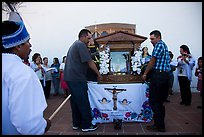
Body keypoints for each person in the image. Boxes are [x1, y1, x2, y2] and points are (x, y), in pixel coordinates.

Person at [2, 20, 51, 135]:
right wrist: (43, 125)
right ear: (18, 46)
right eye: (28, 42)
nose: (30, 46)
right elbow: (29, 126)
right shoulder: (22, 72)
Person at [64, 29, 101, 132]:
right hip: (77, 78)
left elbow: (87, 57)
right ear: (83, 37)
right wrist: (98, 74)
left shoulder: (75, 44)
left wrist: (97, 52)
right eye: (88, 38)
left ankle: (76, 123)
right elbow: (89, 62)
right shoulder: (81, 45)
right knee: (83, 101)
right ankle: (86, 125)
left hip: (70, 78)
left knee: (75, 102)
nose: (89, 41)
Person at [141, 30, 171, 132]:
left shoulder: (159, 45)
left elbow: (152, 60)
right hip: (164, 75)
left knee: (154, 100)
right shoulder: (163, 45)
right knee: (159, 101)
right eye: (150, 39)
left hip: (159, 76)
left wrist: (145, 73)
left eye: (152, 39)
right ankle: (160, 123)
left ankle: (159, 125)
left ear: (158, 37)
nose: (151, 41)